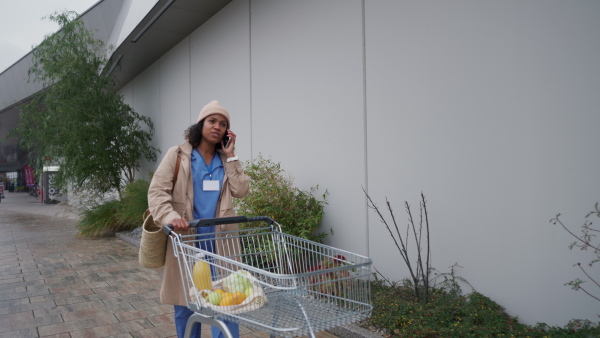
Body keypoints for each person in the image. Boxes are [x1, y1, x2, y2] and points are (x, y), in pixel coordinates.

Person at [148, 100, 250, 338]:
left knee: (226, 303)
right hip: (187, 239)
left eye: (223, 124)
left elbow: (241, 190)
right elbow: (156, 193)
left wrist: (232, 154)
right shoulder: (178, 155)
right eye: (212, 121)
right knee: (185, 303)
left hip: (221, 242)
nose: (217, 127)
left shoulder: (225, 160)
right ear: (200, 124)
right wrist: (171, 217)